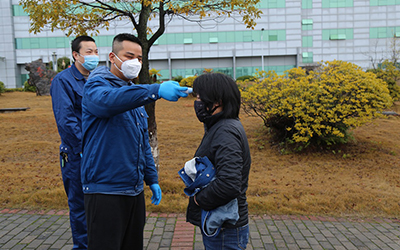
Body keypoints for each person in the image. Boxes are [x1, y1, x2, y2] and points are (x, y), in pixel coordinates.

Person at [81, 33, 188, 250]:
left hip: (133, 189)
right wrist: (156, 90)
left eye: (139, 58)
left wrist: (152, 178)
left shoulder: (134, 94)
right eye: (129, 56)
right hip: (105, 189)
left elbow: (142, 143)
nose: (135, 63)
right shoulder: (96, 86)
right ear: (112, 56)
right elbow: (107, 103)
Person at [186, 73, 252, 249]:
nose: (197, 103)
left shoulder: (225, 132)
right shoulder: (219, 126)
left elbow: (229, 184)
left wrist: (198, 200)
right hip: (220, 221)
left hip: (225, 227)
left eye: (200, 98)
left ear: (217, 101)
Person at [50, 35, 99, 250]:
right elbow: (66, 121)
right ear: (76, 55)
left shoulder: (96, 79)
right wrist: (85, 148)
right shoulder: (63, 81)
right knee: (80, 208)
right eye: (89, 52)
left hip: (97, 153)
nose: (94, 56)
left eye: (96, 51)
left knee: (97, 206)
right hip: (76, 155)